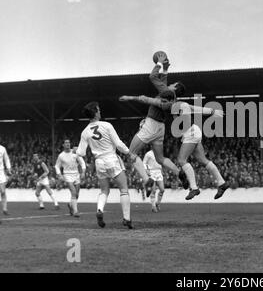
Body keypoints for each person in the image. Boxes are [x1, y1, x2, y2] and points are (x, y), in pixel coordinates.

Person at [119, 95, 226, 200]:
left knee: (181, 160)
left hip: (190, 133)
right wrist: (212, 111)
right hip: (193, 131)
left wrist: (212, 111)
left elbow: (194, 108)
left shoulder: (177, 105)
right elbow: (195, 108)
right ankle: (221, 183)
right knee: (203, 160)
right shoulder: (180, 105)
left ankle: (194, 188)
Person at [123, 55, 188, 196]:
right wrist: (165, 70)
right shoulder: (171, 96)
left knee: (131, 154)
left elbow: (152, 77)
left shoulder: (168, 91)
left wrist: (158, 63)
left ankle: (147, 180)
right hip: (160, 128)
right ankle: (179, 173)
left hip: (151, 125)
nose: (170, 84)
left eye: (173, 83)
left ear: (175, 87)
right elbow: (163, 83)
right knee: (160, 159)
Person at [76, 101, 137, 229]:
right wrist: (128, 153)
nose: (100, 111)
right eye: (98, 109)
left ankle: (99, 209)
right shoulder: (107, 125)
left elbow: (81, 152)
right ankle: (126, 218)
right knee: (124, 189)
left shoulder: (85, 131)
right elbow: (119, 143)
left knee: (104, 190)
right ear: (95, 112)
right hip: (111, 158)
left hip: (99, 162)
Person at [55, 139, 86, 217]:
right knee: (73, 192)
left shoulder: (75, 153)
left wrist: (83, 172)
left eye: (69, 142)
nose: (68, 144)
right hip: (67, 175)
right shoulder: (61, 155)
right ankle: (75, 211)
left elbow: (82, 163)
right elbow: (57, 166)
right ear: (63, 145)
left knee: (77, 194)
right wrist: (59, 175)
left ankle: (70, 204)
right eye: (66, 143)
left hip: (76, 175)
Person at [0, 144, 11, 215]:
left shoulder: (2, 148)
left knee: (3, 191)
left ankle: (4, 209)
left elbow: (6, 159)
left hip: (0, 172)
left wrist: (9, 169)